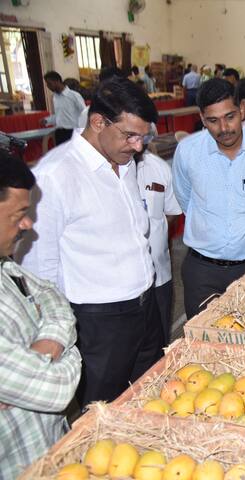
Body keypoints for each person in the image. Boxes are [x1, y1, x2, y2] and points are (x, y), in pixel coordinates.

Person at [19, 78, 163, 408]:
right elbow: (40, 273)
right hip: (100, 325)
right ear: (98, 122)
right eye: (130, 135)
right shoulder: (55, 176)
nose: (139, 146)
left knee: (150, 399)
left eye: (143, 136)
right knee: (103, 414)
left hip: (145, 307)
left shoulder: (125, 164)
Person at [172, 78, 245, 319]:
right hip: (202, 272)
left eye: (230, 116)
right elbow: (185, 199)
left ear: (243, 109)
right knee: (202, 346)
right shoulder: (188, 151)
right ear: (202, 118)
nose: (224, 128)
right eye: (213, 120)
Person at [0, 152, 82, 479]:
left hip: (48, 450)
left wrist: (47, 343)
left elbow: (51, 296)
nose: (28, 224)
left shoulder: (6, 266)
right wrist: (70, 351)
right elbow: (59, 389)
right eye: (19, 214)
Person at [135, 130, 182, 346]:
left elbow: (172, 212)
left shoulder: (159, 168)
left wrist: (157, 235)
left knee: (160, 342)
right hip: (119, 289)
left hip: (159, 277)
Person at [41, 71, 86, 145]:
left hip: (73, 132)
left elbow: (84, 113)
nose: (48, 86)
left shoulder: (74, 95)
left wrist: (82, 131)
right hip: (60, 133)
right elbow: (58, 116)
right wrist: (47, 120)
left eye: (49, 84)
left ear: (57, 81)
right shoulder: (55, 97)